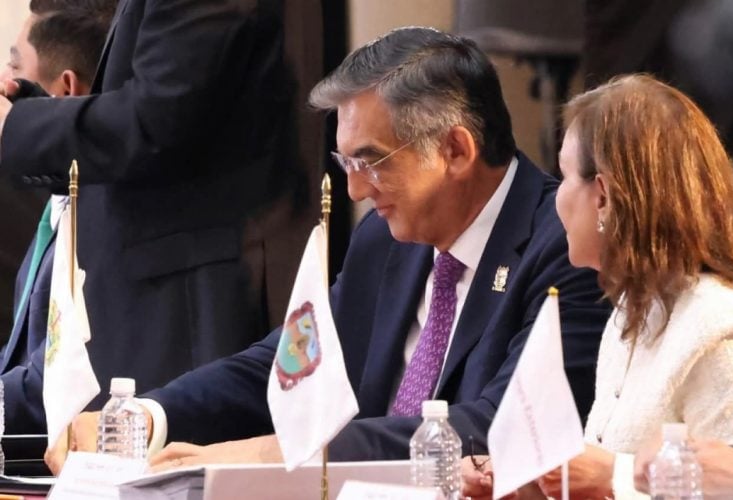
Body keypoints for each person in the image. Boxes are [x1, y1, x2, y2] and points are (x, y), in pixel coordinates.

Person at [45, 26, 611, 471]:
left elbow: (507, 428)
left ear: (456, 150)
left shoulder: (565, 249)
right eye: (346, 163)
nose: (356, 190)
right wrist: (149, 416)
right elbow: (290, 365)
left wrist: (282, 453)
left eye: (372, 161)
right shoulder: (382, 241)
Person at [462, 74, 733, 499]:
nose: (556, 198)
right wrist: (531, 483)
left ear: (603, 197)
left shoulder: (726, 326)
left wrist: (611, 475)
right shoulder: (633, 310)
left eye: (565, 176)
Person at [0, 0, 307, 432]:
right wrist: (31, 114)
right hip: (157, 293)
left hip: (187, 299)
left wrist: (17, 124)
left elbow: (158, 122)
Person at [0, 0, 116, 434]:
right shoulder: (58, 201)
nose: (5, 82)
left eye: (15, 66)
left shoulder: (102, 225)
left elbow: (62, 379)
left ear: (65, 89)